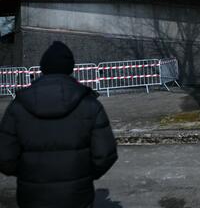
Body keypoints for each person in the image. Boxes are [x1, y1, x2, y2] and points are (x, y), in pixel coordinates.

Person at [0, 41, 118, 208]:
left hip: (32, 198)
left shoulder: (18, 106)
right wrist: (85, 174)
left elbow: (4, 156)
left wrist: (27, 173)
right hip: (77, 197)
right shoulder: (90, 104)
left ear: (43, 68)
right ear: (70, 68)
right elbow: (105, 154)